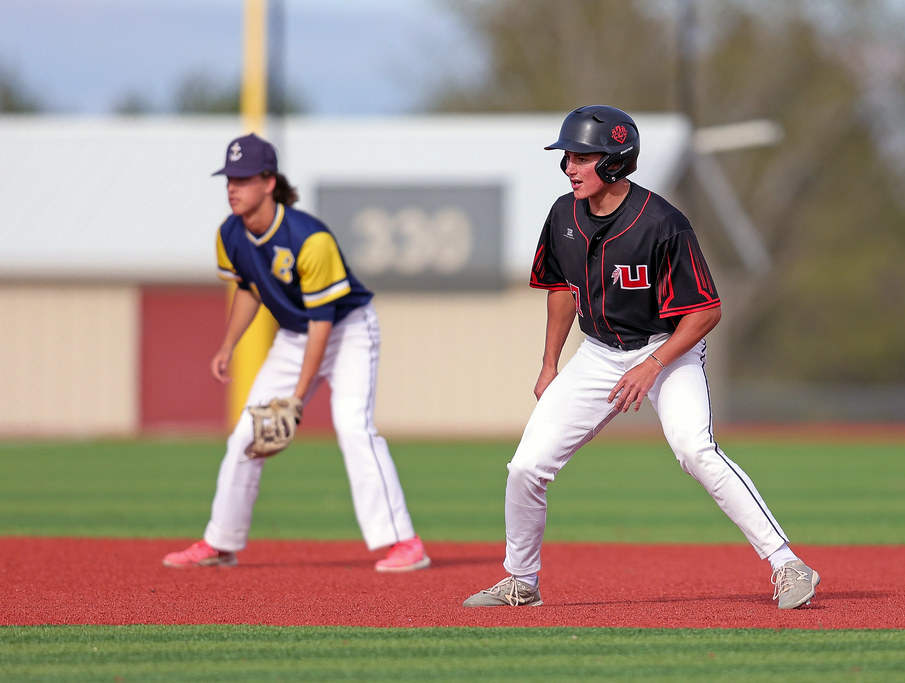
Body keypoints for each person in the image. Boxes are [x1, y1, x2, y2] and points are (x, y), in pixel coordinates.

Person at [462, 105, 819, 609]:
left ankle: (788, 564)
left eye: (581, 157)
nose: (569, 167)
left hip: (665, 348)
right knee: (525, 468)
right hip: (598, 353)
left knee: (695, 450)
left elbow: (705, 311)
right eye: (567, 157)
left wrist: (652, 365)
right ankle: (521, 581)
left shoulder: (662, 223)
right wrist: (549, 365)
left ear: (614, 161)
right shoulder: (563, 214)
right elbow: (561, 288)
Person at [163, 133, 429, 573]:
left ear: (269, 182)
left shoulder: (309, 238)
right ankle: (220, 542)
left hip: (347, 330)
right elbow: (249, 288)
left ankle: (405, 541)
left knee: (353, 427)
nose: (232, 187)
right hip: (293, 337)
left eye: (243, 179)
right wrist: (228, 344)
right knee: (245, 436)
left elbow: (322, 324)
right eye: (229, 179)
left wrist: (297, 401)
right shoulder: (230, 234)